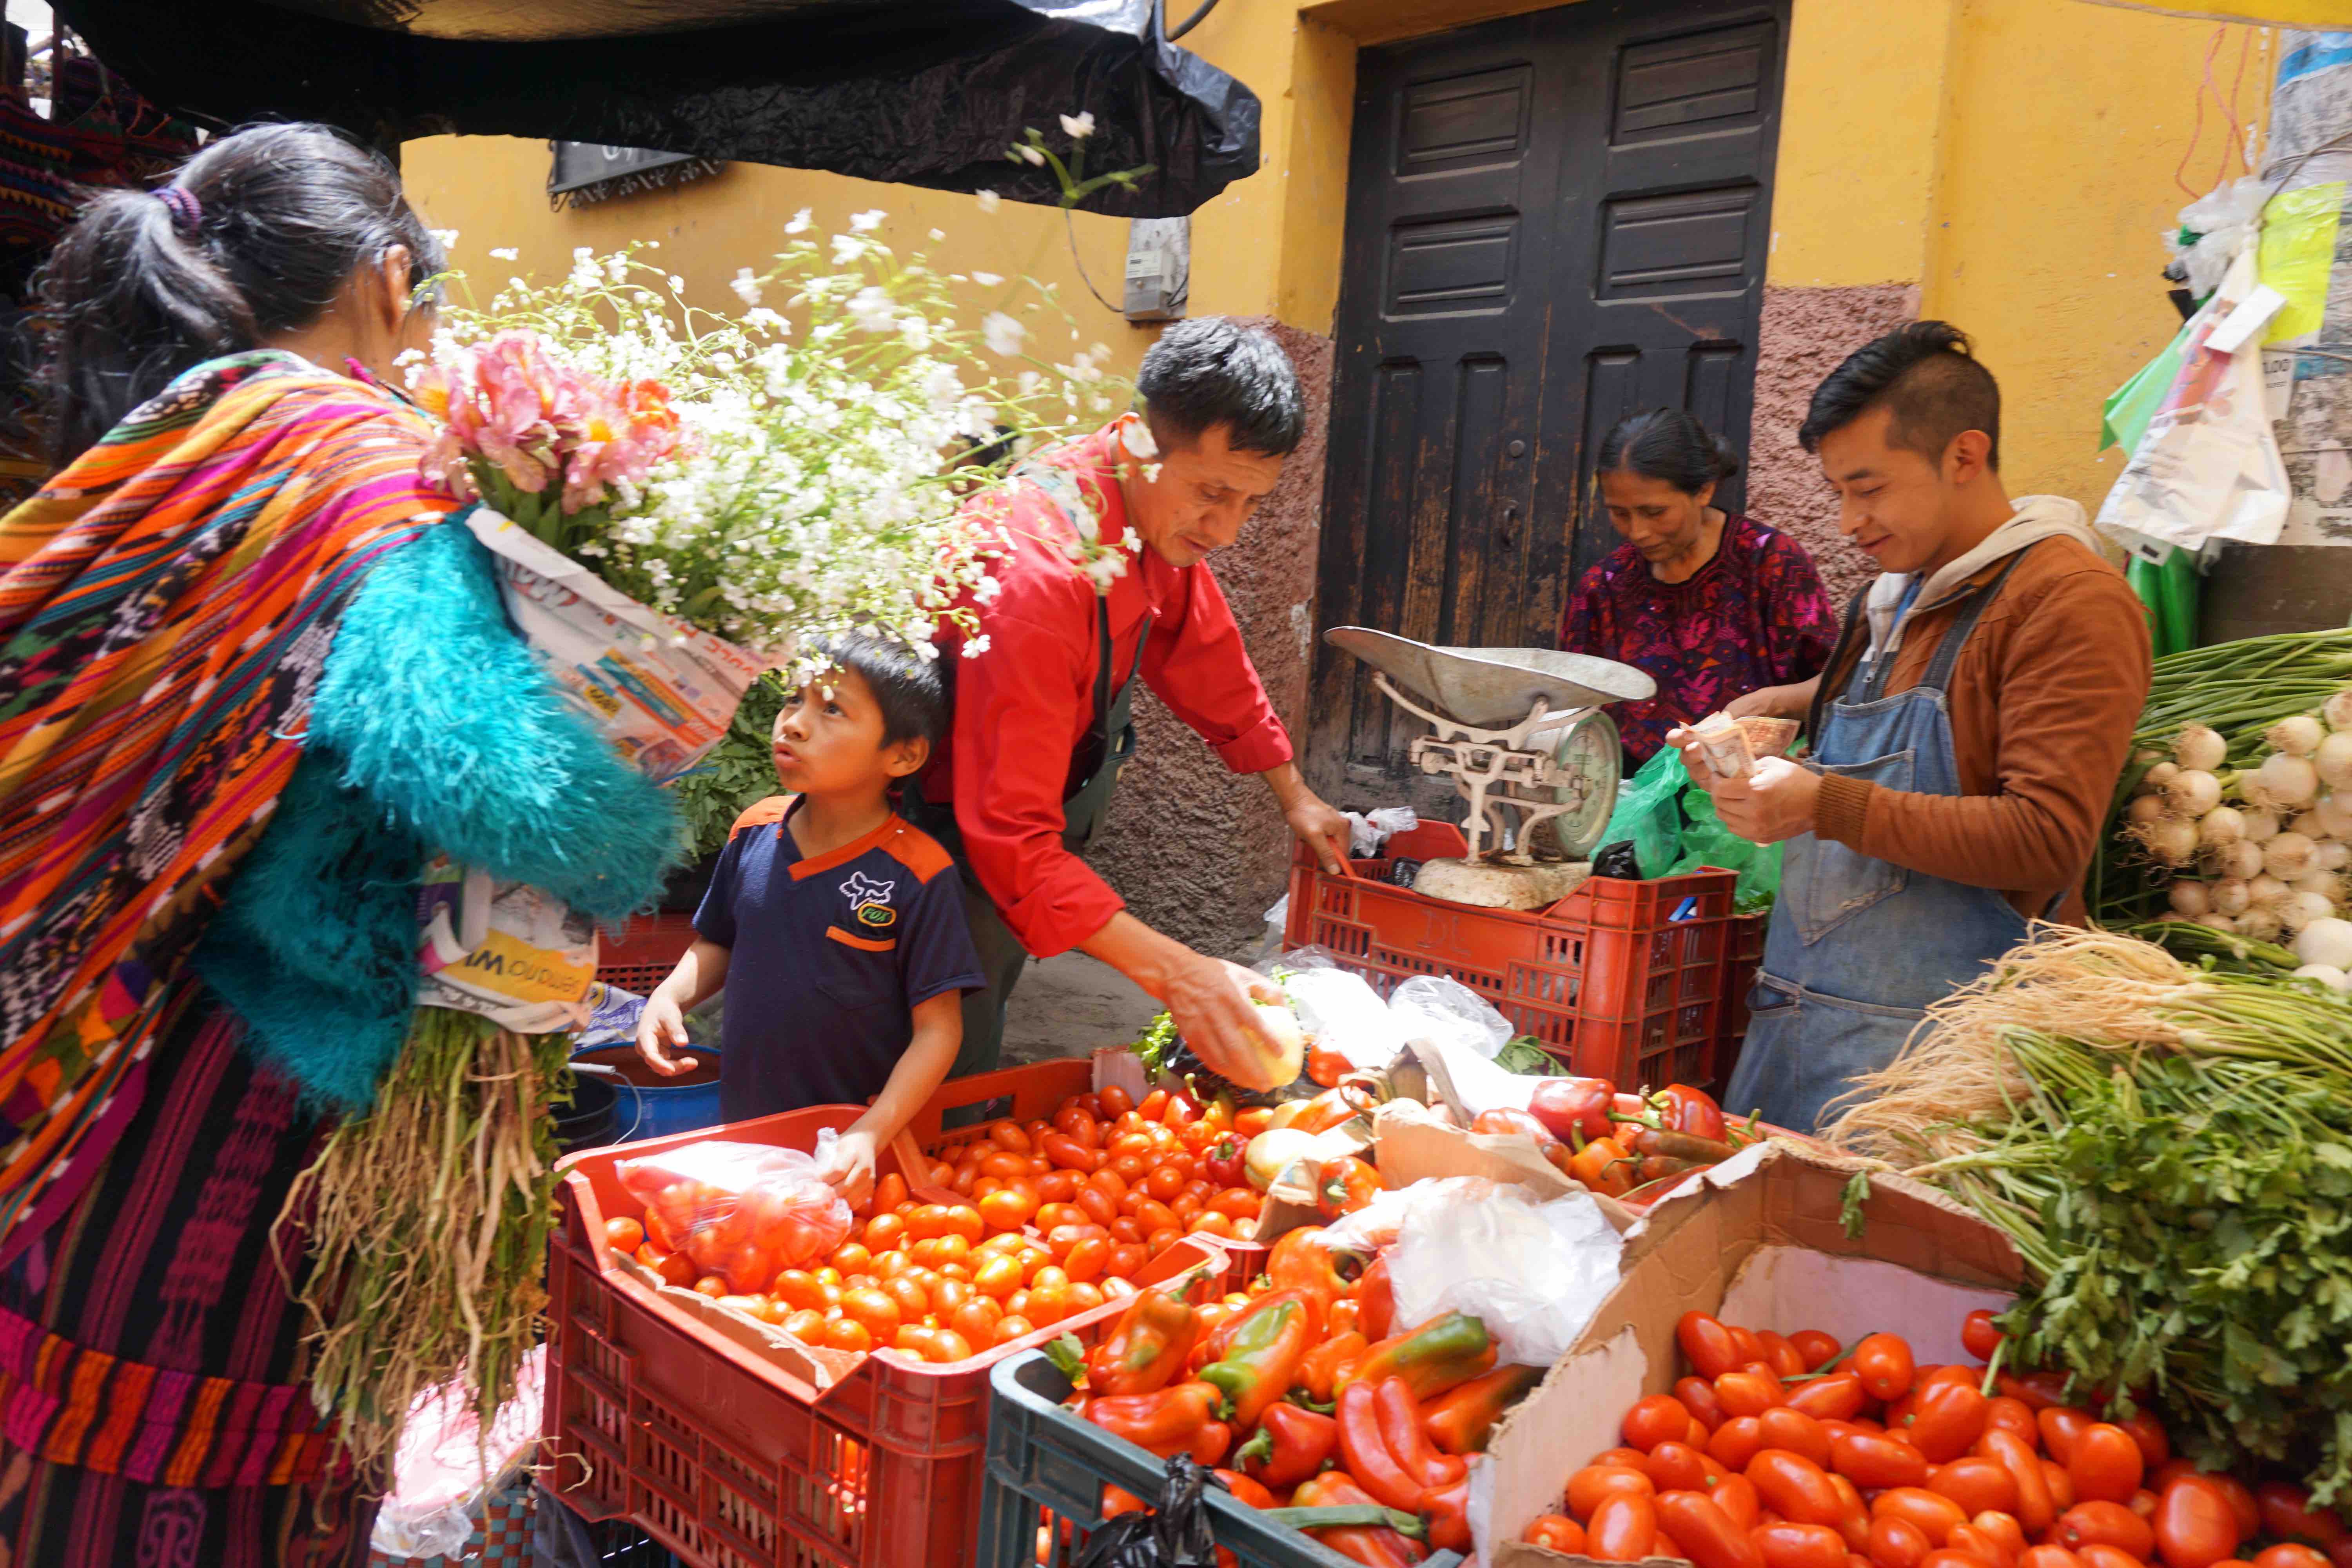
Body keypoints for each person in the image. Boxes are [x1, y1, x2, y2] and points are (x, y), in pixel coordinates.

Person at [0, 125, 679, 1563]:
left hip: (57, 1082)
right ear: (384, 280)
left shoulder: (162, 446)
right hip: (220, 1120)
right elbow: (505, 796)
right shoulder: (363, 474)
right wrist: (652, 749)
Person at [1676, 323, 2152, 1132]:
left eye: (1870, 488)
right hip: (1801, 1037)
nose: (1849, 521)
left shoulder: (2069, 600)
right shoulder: (1887, 597)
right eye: (1836, 492)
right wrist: (1769, 732)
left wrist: (1820, 802)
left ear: (1964, 456)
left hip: (1941, 1080)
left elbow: (2047, 836)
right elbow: (1872, 738)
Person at [908, 318, 1351, 1091]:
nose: (1227, 530)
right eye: (1213, 494)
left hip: (1014, 834)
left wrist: (1295, 794)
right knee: (935, 1062)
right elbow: (1010, 842)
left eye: (1251, 503)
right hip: (935, 846)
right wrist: (1182, 974)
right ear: (1141, 442)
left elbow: (1205, 650)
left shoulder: (1145, 505)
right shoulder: (1036, 578)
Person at [635, 633, 984, 1205]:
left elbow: (939, 1030)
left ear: (903, 756)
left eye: (832, 710)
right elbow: (719, 940)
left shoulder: (920, 874)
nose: (793, 723)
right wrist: (670, 996)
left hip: (851, 1155)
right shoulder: (755, 830)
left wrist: (872, 1131)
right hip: (747, 1127)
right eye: (795, 699)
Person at [1559, 407, 1838, 764]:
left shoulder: (1771, 563)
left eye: (1655, 512)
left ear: (1704, 490)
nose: (1637, 531)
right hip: (1632, 804)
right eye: (1620, 513)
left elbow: (1838, 683)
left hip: (1750, 795)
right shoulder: (1602, 589)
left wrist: (1769, 703)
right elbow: (1570, 707)